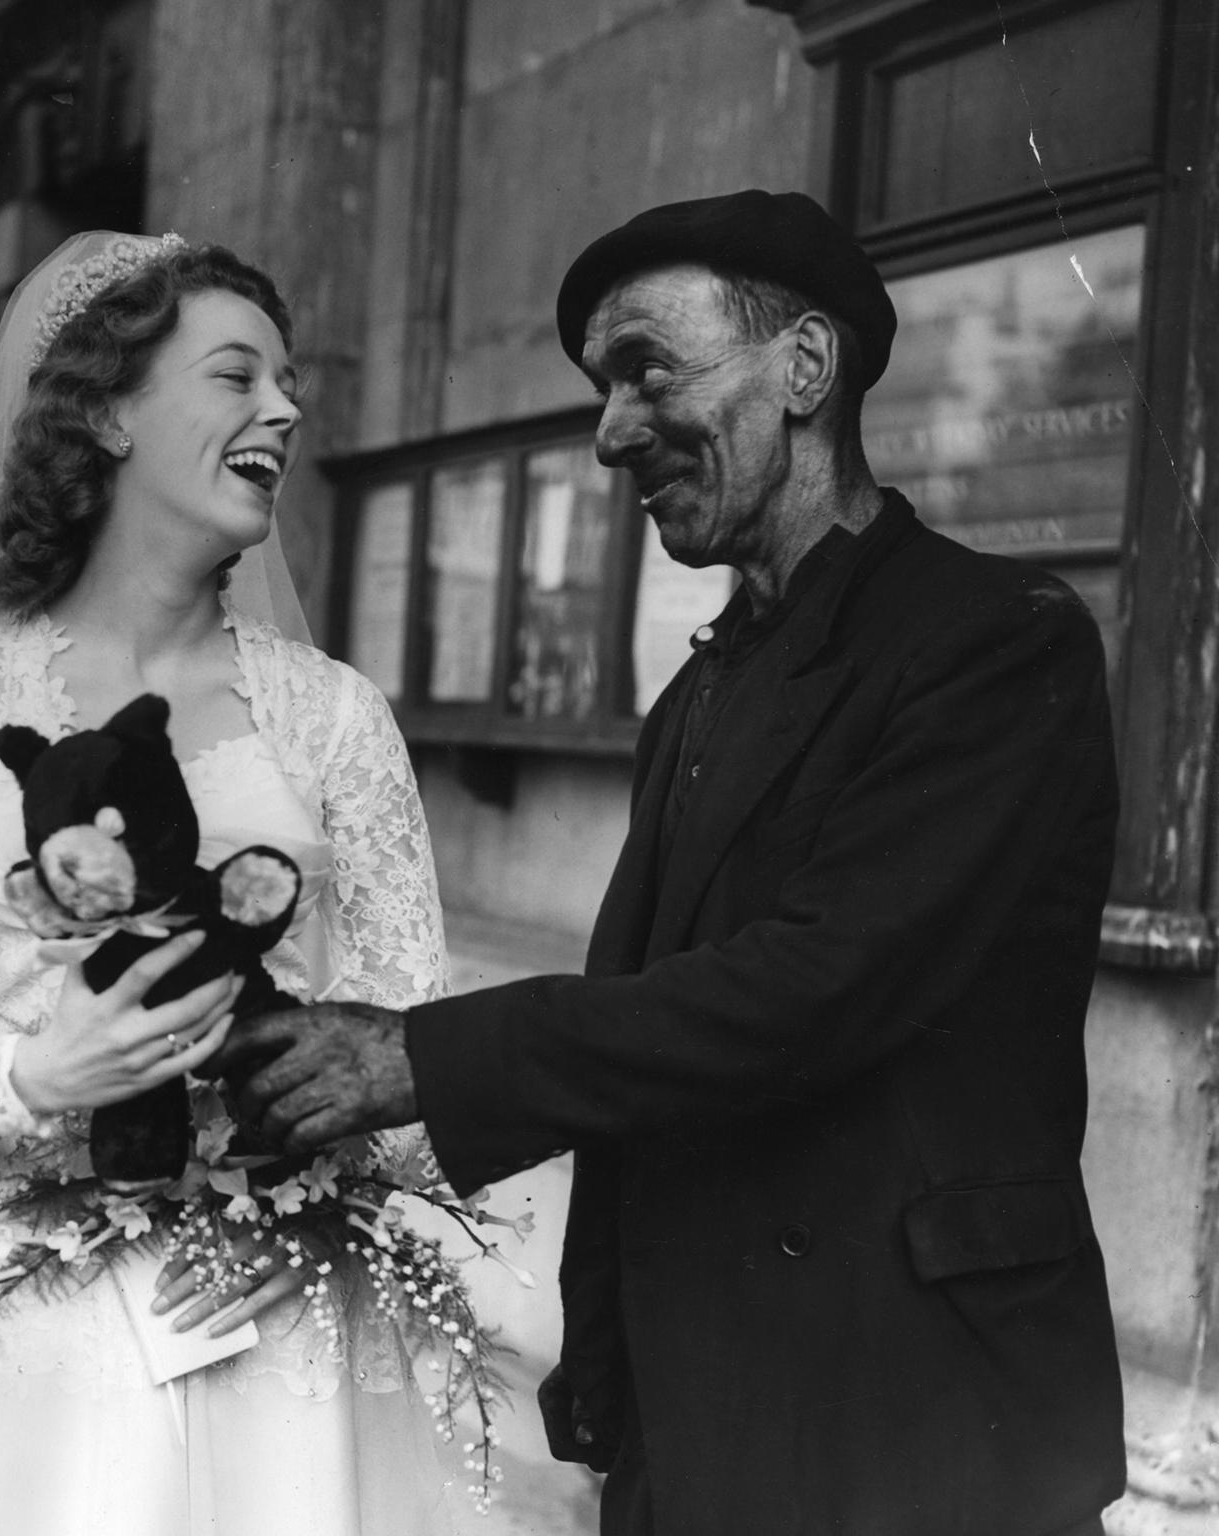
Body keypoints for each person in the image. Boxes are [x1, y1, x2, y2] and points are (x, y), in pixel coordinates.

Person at [222, 190, 1126, 1535]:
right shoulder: (696, 695)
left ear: (805, 369)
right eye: (601, 390)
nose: (609, 434)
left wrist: (420, 1056)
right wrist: (605, 1388)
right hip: (699, 1423)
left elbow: (815, 987)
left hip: (917, 1422)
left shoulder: (998, 645)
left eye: (649, 371)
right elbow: (642, 1060)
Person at [0, 231, 456, 1536]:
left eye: (288, 383)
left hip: (266, 1303)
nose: (284, 407)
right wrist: (28, 1075)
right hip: (14, 1309)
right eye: (235, 375)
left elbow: (416, 1046)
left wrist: (310, 1203)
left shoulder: (331, 718)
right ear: (106, 409)